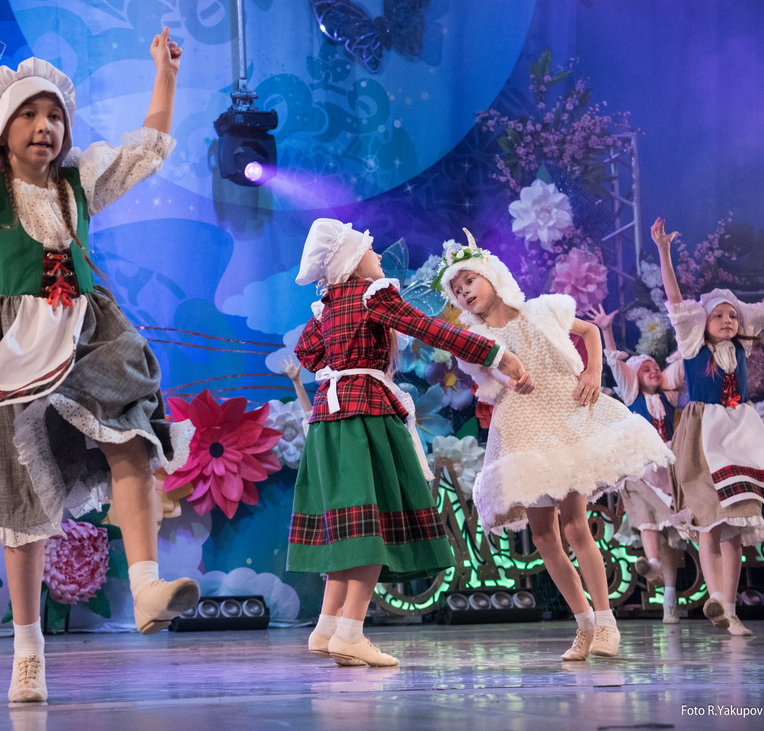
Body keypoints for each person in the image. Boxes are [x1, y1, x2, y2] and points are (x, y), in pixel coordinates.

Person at [0, 18, 197, 701]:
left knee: (131, 433)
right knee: (20, 501)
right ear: (2, 129)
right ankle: (28, 650)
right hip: (16, 343)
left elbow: (146, 147)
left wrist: (165, 75)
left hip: (88, 330)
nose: (44, 126)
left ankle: (146, 586)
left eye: (54, 115)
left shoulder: (79, 182)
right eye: (29, 114)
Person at [290, 219, 530, 667]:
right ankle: (350, 632)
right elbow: (430, 330)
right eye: (369, 249)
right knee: (374, 522)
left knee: (351, 520)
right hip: (364, 415)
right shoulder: (373, 295)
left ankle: (327, 627)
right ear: (351, 261)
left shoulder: (326, 307)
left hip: (328, 419)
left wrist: (345, 354)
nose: (378, 254)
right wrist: (497, 354)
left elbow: (307, 354)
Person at [436, 231, 673, 661]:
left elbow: (590, 332)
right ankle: (584, 624)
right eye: (457, 290)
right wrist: (510, 378)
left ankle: (606, 622)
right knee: (544, 535)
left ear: (491, 275)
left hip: (564, 417)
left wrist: (593, 372)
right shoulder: (475, 341)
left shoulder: (542, 309)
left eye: (469, 280)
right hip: (523, 427)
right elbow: (494, 375)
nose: (465, 292)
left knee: (575, 525)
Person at [653, 217, 764, 637]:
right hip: (702, 437)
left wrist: (739, 310)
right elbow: (676, 299)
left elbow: (757, 313)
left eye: (732, 315)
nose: (727, 319)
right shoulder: (693, 345)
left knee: (736, 527)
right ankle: (715, 595)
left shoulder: (741, 347)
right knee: (709, 521)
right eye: (718, 314)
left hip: (738, 437)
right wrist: (664, 251)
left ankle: (729, 609)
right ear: (701, 321)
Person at [585, 304, 686, 624]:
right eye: (646, 369)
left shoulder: (670, 397)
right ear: (634, 377)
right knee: (647, 521)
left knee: (669, 532)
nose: (654, 372)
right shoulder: (631, 396)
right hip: (641, 469)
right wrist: (607, 331)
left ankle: (669, 596)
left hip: (667, 470)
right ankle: (652, 563)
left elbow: (680, 363)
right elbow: (618, 367)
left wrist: (684, 326)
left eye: (656, 368)